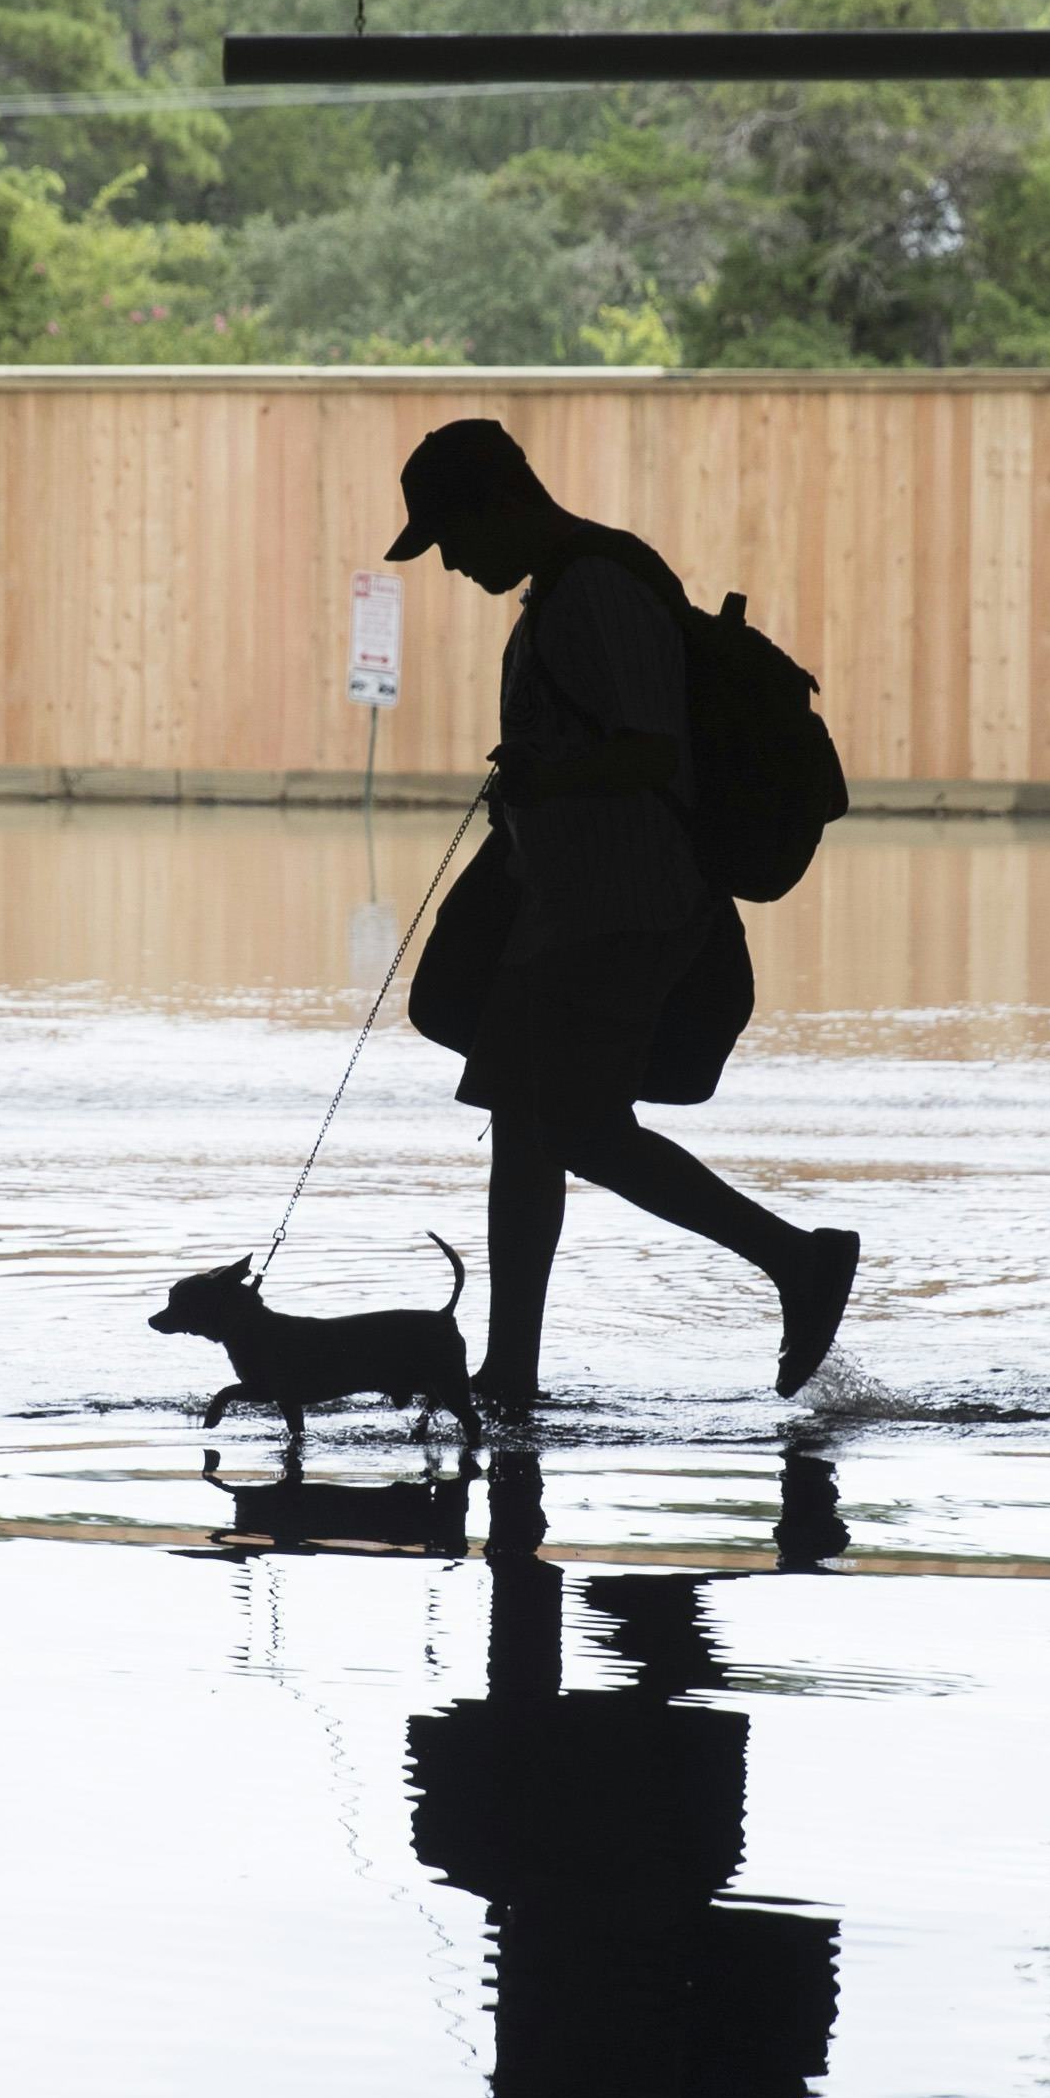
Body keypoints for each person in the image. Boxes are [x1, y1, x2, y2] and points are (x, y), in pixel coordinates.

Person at [387, 419, 859, 1411]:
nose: (453, 562)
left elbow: (652, 754)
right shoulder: (568, 589)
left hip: (622, 907)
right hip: (571, 910)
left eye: (452, 538)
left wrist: (544, 776)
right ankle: (509, 1371)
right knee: (530, 1128)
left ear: (499, 504)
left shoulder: (591, 591)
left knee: (573, 1130)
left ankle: (794, 1259)